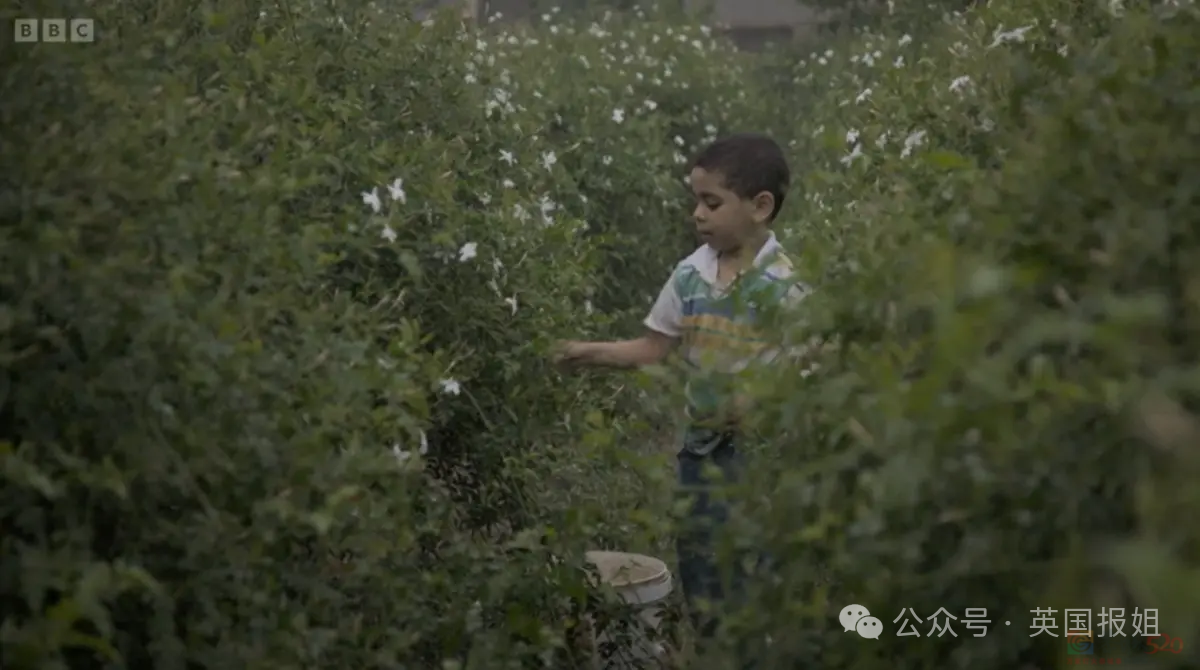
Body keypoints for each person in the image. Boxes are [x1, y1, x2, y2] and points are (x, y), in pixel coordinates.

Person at [553, 132, 811, 658]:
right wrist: (579, 352)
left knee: (752, 572)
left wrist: (760, 404)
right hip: (700, 451)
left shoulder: (786, 286)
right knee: (701, 568)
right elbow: (653, 348)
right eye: (695, 200)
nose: (697, 214)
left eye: (711, 202)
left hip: (758, 460)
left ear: (760, 206)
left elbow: (809, 370)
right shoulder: (691, 275)